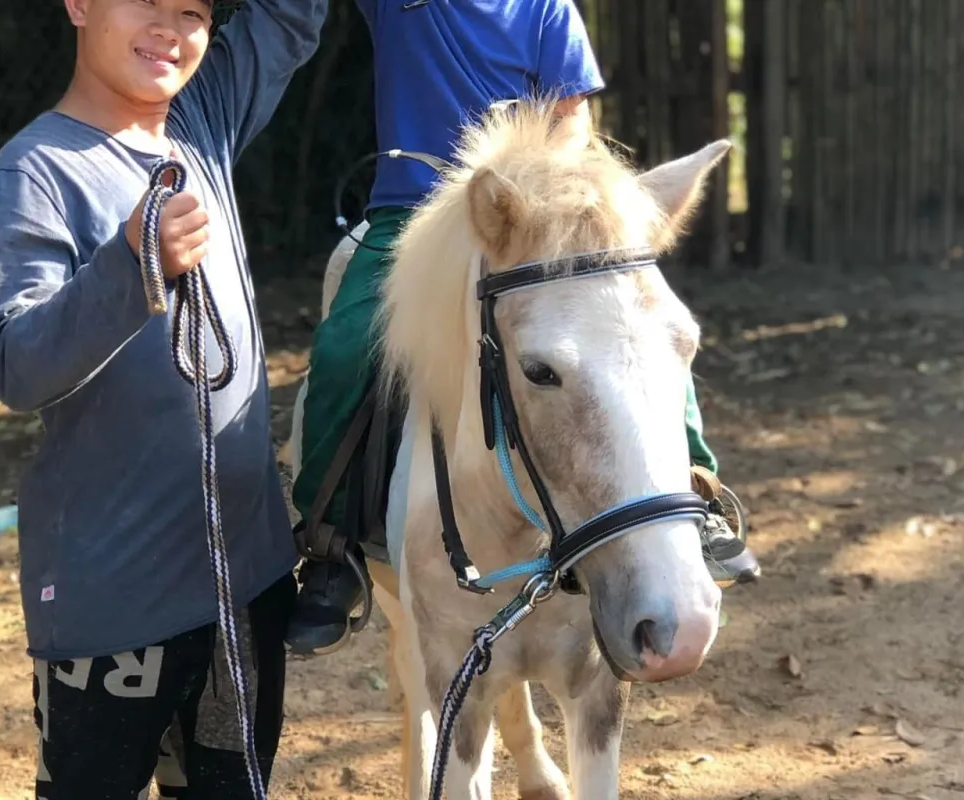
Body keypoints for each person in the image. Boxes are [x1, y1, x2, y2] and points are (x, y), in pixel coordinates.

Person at [286, 0, 760, 657]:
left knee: (643, 334)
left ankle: (696, 495)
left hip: (526, 217)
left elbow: (571, 118)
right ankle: (328, 546)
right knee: (344, 346)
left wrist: (541, 200)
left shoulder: (544, 7)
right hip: (411, 215)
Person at [0, 0, 327, 796]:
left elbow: (289, 19)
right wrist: (130, 264)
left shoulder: (200, 120)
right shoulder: (35, 173)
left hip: (247, 581)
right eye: (146, 1)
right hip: (113, 602)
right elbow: (11, 363)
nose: (170, 27)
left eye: (194, 10)